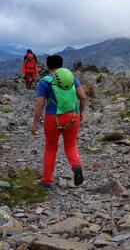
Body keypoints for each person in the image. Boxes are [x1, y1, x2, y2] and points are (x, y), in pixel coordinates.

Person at [31, 55, 87, 188]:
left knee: (50, 149)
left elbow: (40, 104)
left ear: (48, 65)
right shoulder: (72, 78)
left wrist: (35, 123)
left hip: (53, 118)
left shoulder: (45, 81)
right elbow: (83, 98)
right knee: (71, 146)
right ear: (61, 64)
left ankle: (47, 180)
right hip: (73, 117)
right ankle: (76, 166)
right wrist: (81, 113)